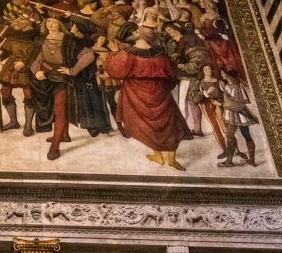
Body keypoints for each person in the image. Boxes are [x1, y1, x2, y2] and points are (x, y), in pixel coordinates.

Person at [104, 18, 192, 170]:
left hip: (137, 93)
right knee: (168, 124)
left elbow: (115, 71)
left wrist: (114, 53)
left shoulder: (127, 54)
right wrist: (164, 86)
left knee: (148, 126)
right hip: (160, 93)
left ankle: (160, 156)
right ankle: (170, 159)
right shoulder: (160, 54)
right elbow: (171, 76)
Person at [29, 17, 99, 161]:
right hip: (46, 77)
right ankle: (64, 135)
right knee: (55, 109)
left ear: (60, 25)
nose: (51, 24)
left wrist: (72, 71)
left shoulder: (69, 40)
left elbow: (89, 55)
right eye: (48, 21)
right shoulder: (41, 39)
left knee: (59, 111)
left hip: (63, 79)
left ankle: (54, 147)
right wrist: (36, 71)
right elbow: (36, 59)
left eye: (55, 22)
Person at [0, 15, 40, 134]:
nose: (20, 21)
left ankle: (28, 126)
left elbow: (38, 54)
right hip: (11, 65)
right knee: (5, 91)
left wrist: (24, 63)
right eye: (19, 18)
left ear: (30, 22)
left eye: (24, 19)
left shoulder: (36, 36)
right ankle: (13, 122)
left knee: (29, 94)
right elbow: (7, 51)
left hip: (29, 66)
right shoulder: (13, 33)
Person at [218, 68, 259, 167]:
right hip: (240, 114)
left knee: (230, 135)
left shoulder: (234, 87)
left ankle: (229, 161)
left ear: (229, 75)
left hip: (235, 114)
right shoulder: (234, 86)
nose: (222, 75)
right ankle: (251, 160)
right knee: (245, 135)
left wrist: (221, 104)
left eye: (223, 73)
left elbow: (235, 104)